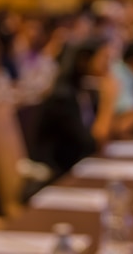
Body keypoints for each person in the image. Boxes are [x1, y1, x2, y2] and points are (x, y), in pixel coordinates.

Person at [33, 36, 118, 175]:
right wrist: (108, 102)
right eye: (104, 59)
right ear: (84, 61)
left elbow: (107, 135)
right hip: (56, 176)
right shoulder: (62, 97)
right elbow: (92, 144)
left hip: (81, 167)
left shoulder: (86, 91)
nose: (108, 68)